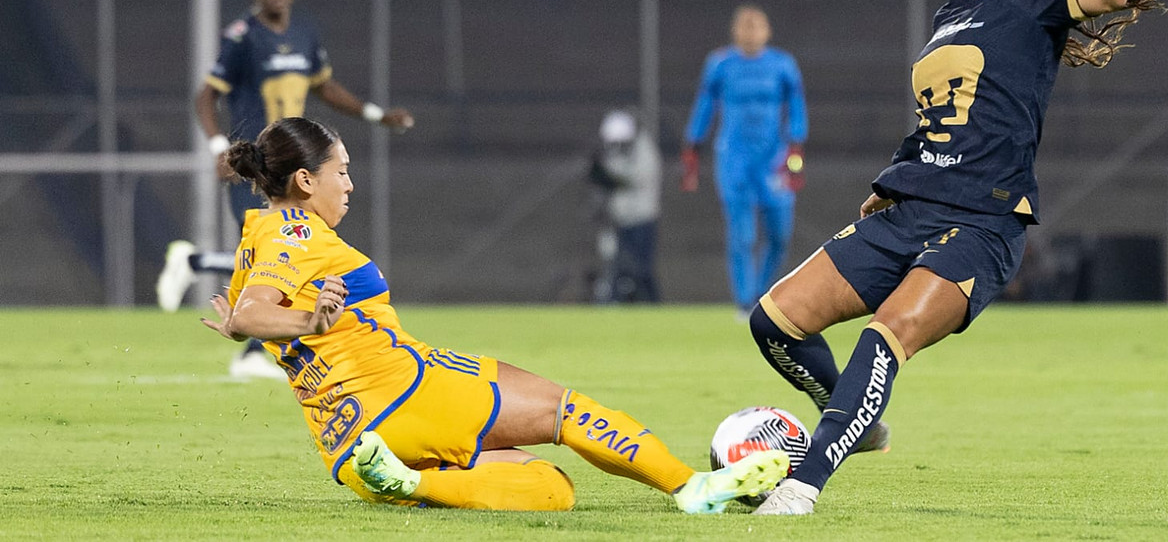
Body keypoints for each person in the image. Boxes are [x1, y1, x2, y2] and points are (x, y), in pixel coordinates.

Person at [749, 0, 1168, 515]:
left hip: (983, 223)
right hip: (912, 208)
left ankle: (804, 483)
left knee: (884, 337)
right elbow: (935, 120)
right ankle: (855, 420)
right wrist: (890, 181)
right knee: (774, 320)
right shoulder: (952, 14)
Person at [199, 116, 789, 512]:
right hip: (407, 393)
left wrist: (245, 323)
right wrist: (299, 322)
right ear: (305, 180)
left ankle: (411, 482)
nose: (350, 185)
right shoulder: (297, 231)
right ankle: (693, 487)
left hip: (351, 449)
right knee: (569, 411)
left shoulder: (259, 235)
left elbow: (250, 312)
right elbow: (257, 313)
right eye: (341, 171)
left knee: (551, 490)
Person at [156, 0, 414, 379]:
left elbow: (325, 87)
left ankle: (207, 281)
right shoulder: (242, 37)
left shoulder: (306, 32)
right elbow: (206, 95)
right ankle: (249, 343)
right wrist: (220, 146)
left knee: (289, 251)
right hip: (258, 165)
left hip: (295, 166)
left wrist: (376, 114)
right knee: (275, 251)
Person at [682, 5, 808, 318]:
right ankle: (744, 302)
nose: (750, 34)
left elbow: (796, 105)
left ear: (767, 32)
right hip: (733, 158)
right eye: (744, 28)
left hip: (773, 158)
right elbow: (705, 104)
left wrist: (796, 146)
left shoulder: (782, 65)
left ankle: (760, 292)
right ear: (735, 32)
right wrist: (692, 146)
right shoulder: (721, 64)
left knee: (779, 233)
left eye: (756, 28)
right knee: (742, 234)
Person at [587, 108, 662, 303]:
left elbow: (639, 177)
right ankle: (619, 301)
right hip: (621, 219)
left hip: (642, 219)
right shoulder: (619, 151)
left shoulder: (644, 149)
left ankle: (651, 304)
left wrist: (609, 177)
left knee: (642, 267)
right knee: (619, 266)